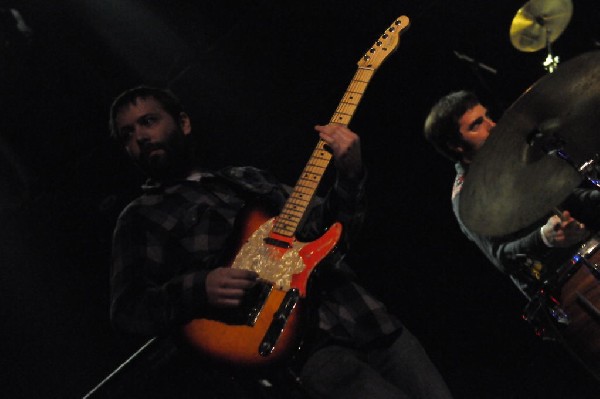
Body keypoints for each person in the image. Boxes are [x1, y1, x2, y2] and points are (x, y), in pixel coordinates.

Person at [108, 85, 454, 399]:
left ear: (183, 122)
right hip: (304, 352)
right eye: (128, 134)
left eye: (148, 121)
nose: (140, 136)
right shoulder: (141, 217)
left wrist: (350, 174)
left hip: (365, 317)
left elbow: (334, 231)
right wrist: (201, 287)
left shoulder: (246, 178)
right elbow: (128, 310)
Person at [423, 90, 594, 299]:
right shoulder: (466, 198)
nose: (492, 125)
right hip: (560, 288)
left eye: (487, 116)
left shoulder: (514, 160)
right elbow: (501, 257)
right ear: (456, 146)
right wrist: (544, 237)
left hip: (587, 254)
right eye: (477, 124)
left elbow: (569, 196)